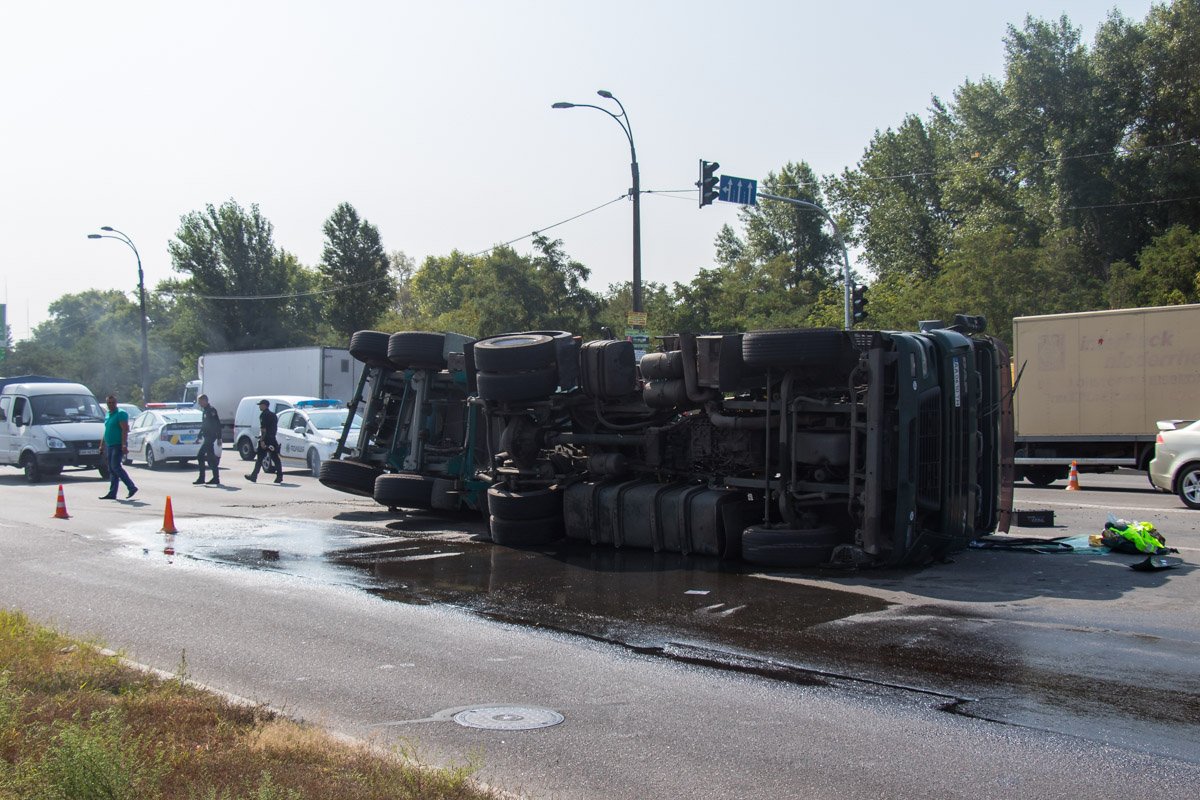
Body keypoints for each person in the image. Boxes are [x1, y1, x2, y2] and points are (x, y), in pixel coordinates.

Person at [100, 394, 138, 500]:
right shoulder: (108, 414)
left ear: (116, 403)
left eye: (113, 402)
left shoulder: (121, 414)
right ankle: (112, 493)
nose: (111, 404)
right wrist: (102, 445)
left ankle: (131, 487)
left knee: (116, 467)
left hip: (118, 445)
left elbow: (125, 430)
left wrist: (124, 444)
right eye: (109, 403)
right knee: (112, 469)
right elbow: (106, 430)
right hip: (109, 445)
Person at [245, 399, 282, 483]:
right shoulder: (273, 415)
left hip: (266, 439)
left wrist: (262, 440)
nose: (259, 406)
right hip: (272, 438)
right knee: (275, 458)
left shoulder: (264, 415)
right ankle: (279, 476)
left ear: (265, 405)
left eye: (260, 405)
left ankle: (254, 476)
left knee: (260, 458)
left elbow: (263, 429)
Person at [195, 394, 222, 485]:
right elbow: (204, 424)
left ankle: (203, 478)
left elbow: (217, 424)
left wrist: (219, 437)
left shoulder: (211, 410)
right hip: (207, 436)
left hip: (211, 437)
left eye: (200, 402)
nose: (199, 404)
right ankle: (214, 478)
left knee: (200, 456)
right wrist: (199, 434)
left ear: (205, 401)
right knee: (210, 458)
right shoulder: (205, 411)